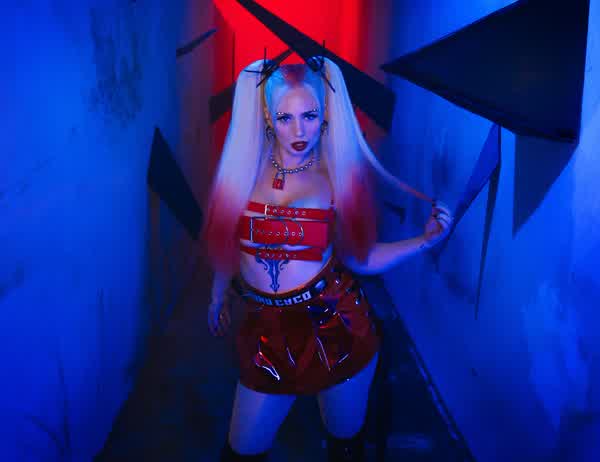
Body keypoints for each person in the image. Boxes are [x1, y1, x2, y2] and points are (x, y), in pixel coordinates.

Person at [202, 56, 453, 461]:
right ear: (266, 116)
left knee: (344, 447)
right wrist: (218, 294)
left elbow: (361, 258)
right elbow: (225, 240)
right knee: (242, 450)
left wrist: (424, 241)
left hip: (334, 324)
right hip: (266, 328)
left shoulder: (338, 175)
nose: (299, 131)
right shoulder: (242, 168)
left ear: (326, 114)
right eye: (285, 117)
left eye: (309, 115)